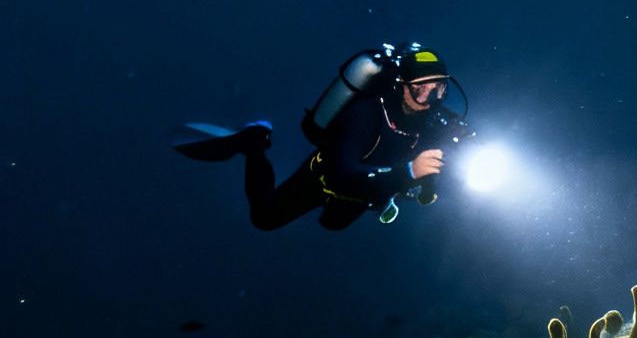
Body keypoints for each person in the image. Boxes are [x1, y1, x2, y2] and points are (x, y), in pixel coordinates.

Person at [173, 44, 463, 230]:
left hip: (368, 192)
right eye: (419, 89)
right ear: (401, 86)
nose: (428, 99)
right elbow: (342, 174)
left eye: (438, 90)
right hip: (325, 178)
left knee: (334, 223)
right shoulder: (365, 113)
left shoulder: (434, 121)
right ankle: (253, 142)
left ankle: (375, 202)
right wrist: (408, 173)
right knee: (263, 218)